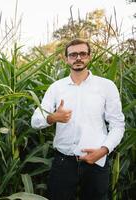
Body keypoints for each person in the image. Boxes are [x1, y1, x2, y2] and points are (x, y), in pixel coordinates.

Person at [31, 39, 125, 200]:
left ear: (89, 57)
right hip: (63, 162)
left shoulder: (106, 86)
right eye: (73, 54)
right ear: (66, 59)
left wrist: (103, 151)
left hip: (96, 161)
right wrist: (52, 117)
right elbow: (35, 121)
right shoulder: (56, 88)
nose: (78, 58)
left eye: (83, 53)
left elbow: (117, 125)